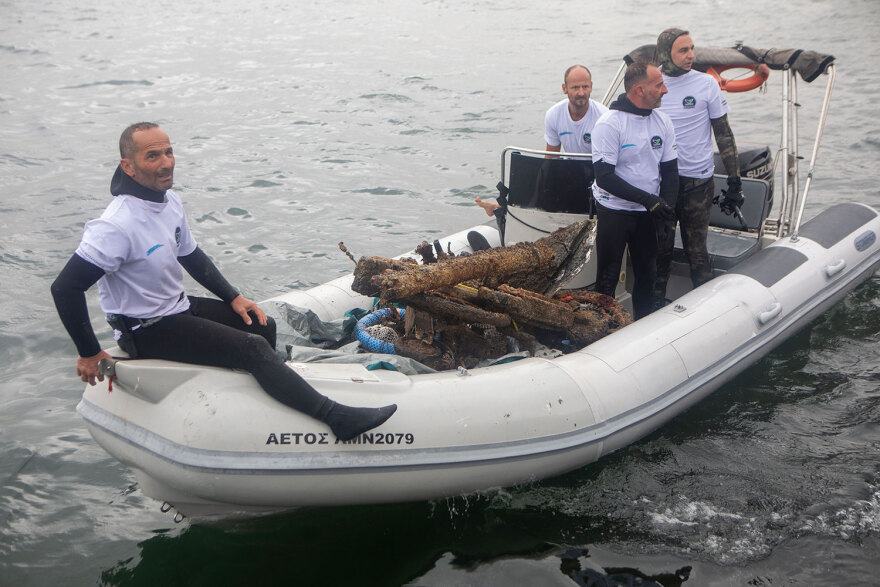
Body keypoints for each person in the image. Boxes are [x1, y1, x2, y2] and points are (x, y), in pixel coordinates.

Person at [50, 122, 396, 441]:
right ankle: (336, 419)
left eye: (168, 152)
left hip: (176, 308)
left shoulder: (169, 202)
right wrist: (88, 352)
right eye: (152, 156)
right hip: (145, 328)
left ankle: (273, 395)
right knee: (252, 348)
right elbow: (65, 288)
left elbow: (191, 255)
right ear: (128, 166)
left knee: (262, 324)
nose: (166, 163)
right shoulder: (116, 225)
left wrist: (233, 297)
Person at [653, 28, 747, 304]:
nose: (691, 55)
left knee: (696, 253)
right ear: (666, 53)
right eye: (683, 50)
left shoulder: (706, 84)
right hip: (661, 184)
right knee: (660, 252)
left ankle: (706, 308)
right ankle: (652, 309)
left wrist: (735, 181)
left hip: (698, 184)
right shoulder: (652, 82)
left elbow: (724, 135)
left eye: (692, 48)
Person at [590, 63, 679, 320]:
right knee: (607, 277)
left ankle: (643, 326)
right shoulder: (610, 124)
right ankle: (602, 327)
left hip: (648, 212)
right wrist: (649, 200)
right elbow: (604, 177)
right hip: (614, 210)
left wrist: (666, 209)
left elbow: (670, 171)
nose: (665, 90)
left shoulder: (663, 121)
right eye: (659, 85)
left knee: (647, 275)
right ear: (640, 90)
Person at [475, 64, 608, 216]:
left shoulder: (604, 117)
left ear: (591, 86)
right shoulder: (554, 114)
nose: (581, 93)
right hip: (572, 171)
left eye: (585, 87)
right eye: (575, 87)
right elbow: (550, 159)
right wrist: (541, 189)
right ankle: (504, 208)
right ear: (564, 88)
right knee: (538, 169)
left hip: (598, 173)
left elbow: (609, 165)